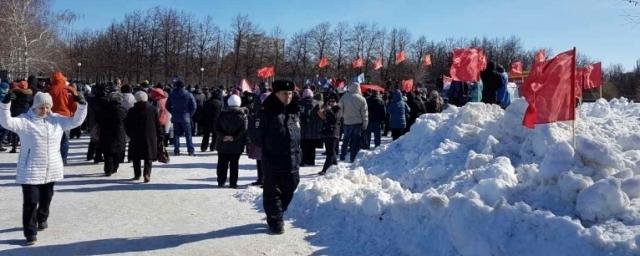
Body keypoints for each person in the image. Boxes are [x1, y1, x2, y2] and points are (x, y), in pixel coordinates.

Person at [0, 90, 87, 245]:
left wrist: (81, 104)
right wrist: (5, 104)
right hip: (30, 168)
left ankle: (42, 218)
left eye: (47, 107)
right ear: (34, 106)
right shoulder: (25, 121)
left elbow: (76, 121)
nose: (45, 110)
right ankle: (30, 233)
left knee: (46, 198)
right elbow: (6, 122)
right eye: (41, 107)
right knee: (31, 201)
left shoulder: (57, 120)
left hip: (51, 167)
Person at [256, 80, 301, 234]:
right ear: (276, 94)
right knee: (272, 190)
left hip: (293, 159)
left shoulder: (294, 110)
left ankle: (278, 211)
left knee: (292, 185)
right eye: (284, 93)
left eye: (290, 93)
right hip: (273, 159)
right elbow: (256, 136)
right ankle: (275, 219)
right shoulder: (267, 111)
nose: (288, 96)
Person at [125, 91, 162, 183]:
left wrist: (130, 134)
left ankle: (137, 174)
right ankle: (147, 174)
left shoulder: (131, 110)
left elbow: (127, 125)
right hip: (150, 136)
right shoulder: (153, 109)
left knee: (136, 157)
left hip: (135, 137)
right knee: (148, 157)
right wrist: (160, 135)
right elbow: (158, 124)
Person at [214, 94, 247, 188]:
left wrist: (223, 136)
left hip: (222, 143)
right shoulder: (242, 116)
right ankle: (233, 183)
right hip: (236, 145)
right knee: (234, 164)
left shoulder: (221, 114)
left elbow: (216, 127)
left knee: (221, 163)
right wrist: (234, 137)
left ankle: (221, 181)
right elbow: (244, 129)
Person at [97, 92, 127, 176]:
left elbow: (98, 120)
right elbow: (126, 121)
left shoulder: (104, 109)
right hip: (119, 132)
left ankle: (108, 169)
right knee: (117, 151)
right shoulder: (123, 110)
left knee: (107, 152)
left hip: (106, 132)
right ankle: (115, 167)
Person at [338, 82, 368, 163]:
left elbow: (340, 109)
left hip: (347, 122)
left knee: (345, 140)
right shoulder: (362, 99)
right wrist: (365, 124)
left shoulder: (344, 97)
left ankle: (342, 156)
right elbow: (364, 113)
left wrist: (341, 117)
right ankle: (353, 158)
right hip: (358, 123)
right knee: (355, 141)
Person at [166, 80, 197, 156]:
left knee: (176, 134)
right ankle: (190, 150)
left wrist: (172, 112)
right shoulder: (188, 94)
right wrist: (189, 114)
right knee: (188, 134)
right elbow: (194, 106)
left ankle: (176, 150)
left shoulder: (172, 94)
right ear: (184, 86)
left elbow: (167, 106)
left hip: (176, 117)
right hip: (186, 117)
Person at [247, 92, 270, 186]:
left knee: (263, 162)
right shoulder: (259, 111)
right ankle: (261, 179)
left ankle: (265, 180)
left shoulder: (269, 112)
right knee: (261, 161)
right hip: (261, 140)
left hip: (265, 141)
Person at [318, 95, 341, 175]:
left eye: (333, 101)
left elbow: (335, 119)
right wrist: (324, 108)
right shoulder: (329, 110)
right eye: (330, 101)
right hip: (327, 132)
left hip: (334, 133)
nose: (331, 103)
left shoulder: (338, 109)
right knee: (331, 152)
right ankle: (336, 166)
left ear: (336, 102)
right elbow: (321, 116)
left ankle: (325, 169)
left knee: (330, 153)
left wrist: (329, 110)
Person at [299, 88, 323, 166]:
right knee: (312, 147)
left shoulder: (299, 103)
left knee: (303, 146)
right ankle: (311, 161)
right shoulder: (317, 103)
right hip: (314, 129)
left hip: (303, 129)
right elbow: (321, 116)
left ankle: (303, 161)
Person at [8, 81, 33, 153]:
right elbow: (32, 104)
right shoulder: (29, 95)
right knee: (25, 132)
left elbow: (10, 101)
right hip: (25, 114)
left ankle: (14, 147)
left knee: (15, 131)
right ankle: (26, 147)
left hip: (15, 113)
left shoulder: (14, 93)